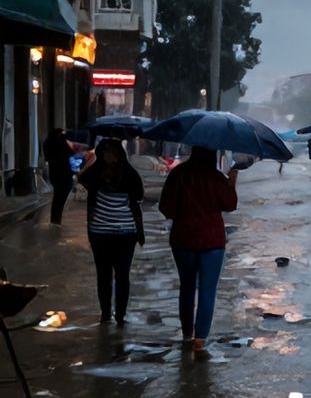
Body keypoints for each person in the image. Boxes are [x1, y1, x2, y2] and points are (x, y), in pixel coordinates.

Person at [159, 146, 238, 358]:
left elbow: (165, 208)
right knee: (207, 290)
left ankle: (186, 334)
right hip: (212, 242)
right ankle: (200, 341)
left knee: (187, 287)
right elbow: (230, 205)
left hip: (183, 240)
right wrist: (231, 184)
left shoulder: (178, 174)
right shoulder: (217, 178)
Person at [77, 138, 144, 325]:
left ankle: (120, 314)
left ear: (118, 154)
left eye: (112, 152)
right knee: (103, 275)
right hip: (100, 235)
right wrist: (92, 161)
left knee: (122, 275)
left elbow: (139, 195)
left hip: (126, 234)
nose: (108, 156)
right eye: (105, 152)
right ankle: (105, 312)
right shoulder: (95, 172)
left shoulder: (129, 174)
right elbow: (81, 178)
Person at [42, 128, 74, 225]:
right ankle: (56, 219)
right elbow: (70, 152)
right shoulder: (61, 143)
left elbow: (47, 157)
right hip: (64, 173)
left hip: (54, 173)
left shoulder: (47, 142)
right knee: (60, 197)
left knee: (57, 196)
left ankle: (55, 219)